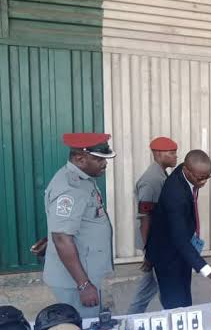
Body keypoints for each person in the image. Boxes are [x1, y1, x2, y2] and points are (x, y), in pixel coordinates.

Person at [42, 133, 116, 318]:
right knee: (84, 327)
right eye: (99, 159)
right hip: (76, 281)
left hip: (86, 270)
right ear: (79, 159)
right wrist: (83, 285)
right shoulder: (70, 188)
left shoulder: (83, 179)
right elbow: (61, 237)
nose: (105, 163)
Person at [146, 150, 211, 309]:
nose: (203, 182)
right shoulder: (175, 194)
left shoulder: (186, 172)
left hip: (182, 250)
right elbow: (179, 239)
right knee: (176, 305)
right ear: (186, 170)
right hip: (168, 255)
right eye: (200, 178)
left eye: (207, 176)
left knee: (185, 300)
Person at [127, 137, 178, 314]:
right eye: (171, 153)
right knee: (167, 289)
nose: (175, 156)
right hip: (156, 245)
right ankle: (173, 318)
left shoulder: (161, 175)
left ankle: (131, 317)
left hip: (159, 243)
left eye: (175, 152)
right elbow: (145, 218)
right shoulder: (152, 180)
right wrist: (149, 253)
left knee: (148, 289)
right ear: (157, 154)